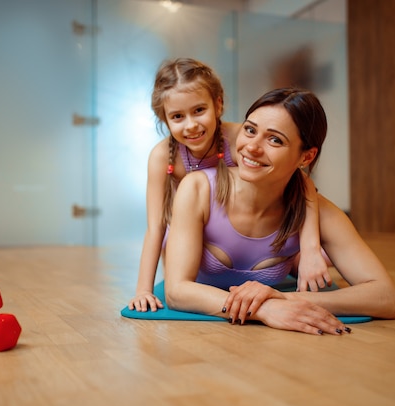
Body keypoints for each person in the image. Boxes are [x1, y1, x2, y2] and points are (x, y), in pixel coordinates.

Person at [164, 87, 395, 335]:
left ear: (306, 157)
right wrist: (264, 310)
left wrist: (284, 300)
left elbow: (389, 299)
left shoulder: (320, 210)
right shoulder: (197, 189)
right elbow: (176, 291)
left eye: (275, 139)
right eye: (250, 130)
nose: (253, 147)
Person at [128, 58, 331, 312]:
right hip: (194, 235)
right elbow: (155, 226)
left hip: (240, 227)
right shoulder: (162, 156)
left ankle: (286, 263)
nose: (191, 125)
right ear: (165, 119)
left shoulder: (238, 138)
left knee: (321, 258)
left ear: (218, 104)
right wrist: (144, 290)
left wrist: (311, 248)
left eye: (199, 110)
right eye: (177, 116)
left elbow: (303, 184)